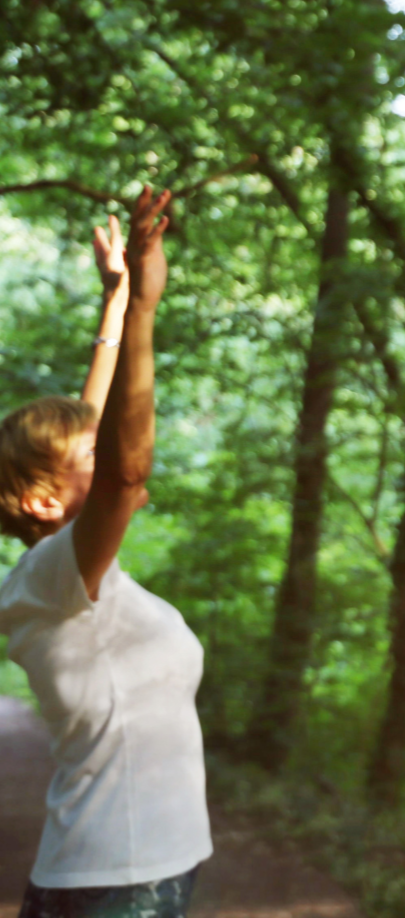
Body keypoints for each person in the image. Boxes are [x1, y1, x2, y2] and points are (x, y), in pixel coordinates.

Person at [0, 188, 212, 918]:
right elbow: (122, 470)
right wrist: (149, 316)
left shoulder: (54, 573)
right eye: (85, 456)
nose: (111, 452)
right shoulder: (57, 579)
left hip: (119, 874)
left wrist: (121, 299)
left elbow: (94, 436)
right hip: (117, 883)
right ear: (39, 502)